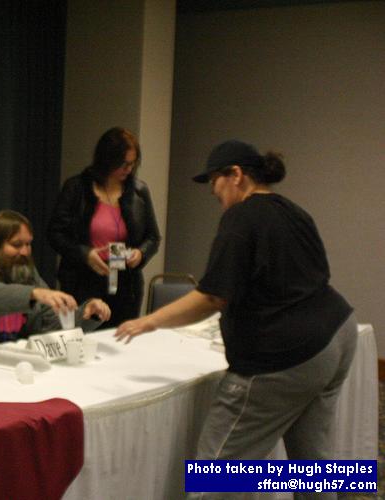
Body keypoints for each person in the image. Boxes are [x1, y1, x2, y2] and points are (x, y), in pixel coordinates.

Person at [115, 140, 357, 498]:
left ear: (236, 176)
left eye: (215, 182)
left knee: (217, 478)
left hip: (285, 358)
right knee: (314, 466)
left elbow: (212, 296)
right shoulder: (294, 211)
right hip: (338, 334)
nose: (214, 193)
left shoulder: (241, 217)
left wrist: (149, 321)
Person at [0, 209, 111, 357]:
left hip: (17, 366)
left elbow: (51, 324)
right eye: (16, 245)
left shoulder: (29, 277)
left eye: (28, 244)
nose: (25, 252)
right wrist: (31, 294)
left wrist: (84, 314)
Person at [48, 127, 160, 328]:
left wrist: (140, 254)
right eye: (123, 164)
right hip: (82, 280)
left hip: (125, 284)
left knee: (120, 340)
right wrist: (85, 254)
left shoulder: (139, 191)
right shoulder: (77, 188)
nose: (128, 169)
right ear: (107, 160)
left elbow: (153, 237)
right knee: (80, 340)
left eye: (132, 164)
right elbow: (55, 233)